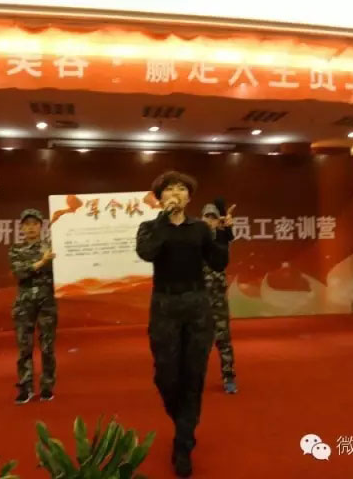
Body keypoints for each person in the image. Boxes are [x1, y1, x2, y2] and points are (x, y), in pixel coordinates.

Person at [136, 171, 229, 477]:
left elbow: (218, 263)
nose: (175, 193)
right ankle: (184, 423)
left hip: (197, 306)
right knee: (166, 376)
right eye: (169, 189)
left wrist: (223, 235)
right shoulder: (149, 227)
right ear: (159, 197)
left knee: (193, 375)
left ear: (189, 198)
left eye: (181, 189)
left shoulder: (200, 228)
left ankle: (183, 443)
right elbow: (147, 252)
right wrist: (164, 219)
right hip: (164, 306)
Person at [8, 209, 57, 405]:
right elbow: (19, 272)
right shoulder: (16, 249)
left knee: (47, 347)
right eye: (26, 224)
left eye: (34, 224)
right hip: (24, 303)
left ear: (41, 226)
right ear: (21, 227)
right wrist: (42, 262)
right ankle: (25, 388)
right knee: (24, 347)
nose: (30, 228)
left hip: (47, 302)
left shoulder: (51, 247)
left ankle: (47, 387)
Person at [201, 203, 238, 394]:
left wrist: (226, 230)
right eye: (206, 217)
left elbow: (222, 258)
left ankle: (228, 376)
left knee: (223, 339)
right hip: (198, 301)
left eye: (213, 217)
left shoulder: (221, 240)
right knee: (197, 343)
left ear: (218, 221)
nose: (209, 221)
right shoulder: (194, 241)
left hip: (217, 299)